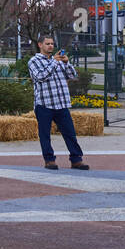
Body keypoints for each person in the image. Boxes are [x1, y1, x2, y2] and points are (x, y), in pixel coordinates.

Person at [28, 34, 88, 171]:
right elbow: (41, 76)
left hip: (61, 104)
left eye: (52, 44)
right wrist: (54, 62)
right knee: (45, 135)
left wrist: (66, 63)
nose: (50, 46)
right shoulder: (34, 61)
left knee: (70, 133)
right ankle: (49, 160)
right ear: (40, 45)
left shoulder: (59, 61)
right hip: (44, 104)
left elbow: (73, 76)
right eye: (48, 43)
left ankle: (76, 160)